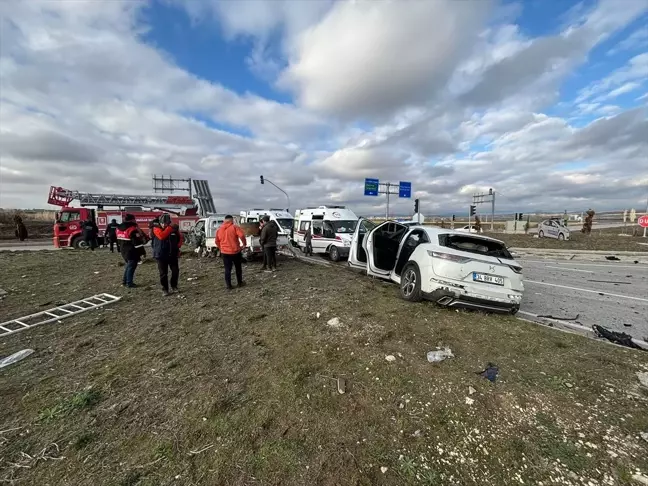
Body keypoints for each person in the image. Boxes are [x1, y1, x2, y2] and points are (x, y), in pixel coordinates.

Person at [152, 214, 183, 296]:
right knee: (163, 273)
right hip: (161, 255)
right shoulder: (156, 229)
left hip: (172, 254)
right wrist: (170, 228)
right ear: (160, 222)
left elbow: (180, 238)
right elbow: (162, 236)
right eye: (163, 223)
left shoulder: (174, 231)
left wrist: (177, 247)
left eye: (166, 223)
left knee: (175, 271)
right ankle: (165, 289)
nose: (164, 225)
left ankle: (174, 286)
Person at [216, 215, 247, 290]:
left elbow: (216, 241)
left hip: (225, 253)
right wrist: (244, 244)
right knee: (238, 268)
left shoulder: (219, 229)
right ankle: (239, 283)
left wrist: (221, 248)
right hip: (235, 251)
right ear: (231, 220)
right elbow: (242, 235)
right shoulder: (235, 227)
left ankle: (228, 286)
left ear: (225, 220)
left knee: (227, 269)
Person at [116, 214, 146, 288]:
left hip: (123, 250)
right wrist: (142, 252)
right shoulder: (132, 229)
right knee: (131, 267)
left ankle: (124, 281)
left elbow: (118, 240)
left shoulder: (118, 228)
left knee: (128, 266)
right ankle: (129, 283)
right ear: (132, 220)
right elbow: (137, 243)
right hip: (132, 251)